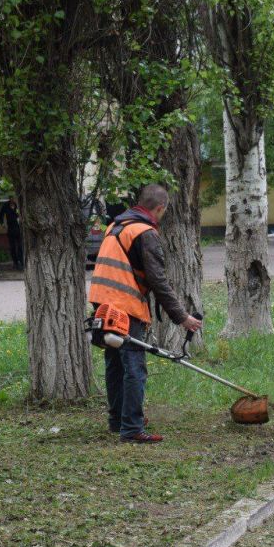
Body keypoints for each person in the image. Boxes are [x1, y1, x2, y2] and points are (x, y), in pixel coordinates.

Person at [88, 184, 202, 444]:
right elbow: (158, 281)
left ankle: (118, 420)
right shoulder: (145, 232)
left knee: (115, 363)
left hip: (101, 302)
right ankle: (131, 428)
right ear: (160, 208)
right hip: (125, 305)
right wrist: (182, 317)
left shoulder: (116, 226)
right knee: (134, 367)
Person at [0, 197, 24, 271]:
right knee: (12, 247)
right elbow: (0, 215)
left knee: (19, 246)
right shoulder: (5, 206)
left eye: (14, 198)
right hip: (10, 228)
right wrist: (2, 224)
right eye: (11, 198)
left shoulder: (16, 206)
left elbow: (19, 215)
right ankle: (15, 263)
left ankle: (21, 262)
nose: (13, 199)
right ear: (9, 199)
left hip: (17, 228)